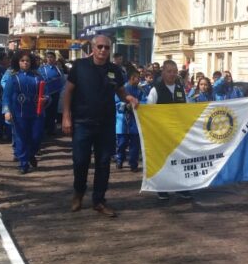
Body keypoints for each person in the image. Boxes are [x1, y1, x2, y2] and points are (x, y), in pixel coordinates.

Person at [63, 34, 139, 217]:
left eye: (106, 47)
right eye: (100, 47)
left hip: (106, 124)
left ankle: (99, 200)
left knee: (104, 164)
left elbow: (121, 92)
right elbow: (68, 92)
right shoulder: (79, 67)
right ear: (93, 47)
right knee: (80, 161)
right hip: (82, 123)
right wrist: (66, 116)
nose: (103, 50)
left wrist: (129, 98)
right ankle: (78, 194)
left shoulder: (115, 70)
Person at [146, 60, 192, 200]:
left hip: (178, 134)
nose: (172, 74)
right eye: (169, 71)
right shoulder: (155, 90)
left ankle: (180, 188)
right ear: (163, 72)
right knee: (163, 162)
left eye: (174, 71)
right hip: (161, 134)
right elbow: (149, 111)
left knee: (178, 161)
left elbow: (188, 109)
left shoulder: (181, 89)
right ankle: (162, 188)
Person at [2, 52, 47, 175]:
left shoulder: (38, 77)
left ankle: (31, 154)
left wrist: (46, 99)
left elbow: (46, 94)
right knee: (21, 138)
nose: (25, 63)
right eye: (22, 60)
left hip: (37, 113)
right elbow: (6, 96)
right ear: (18, 62)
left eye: (27, 60)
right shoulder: (13, 77)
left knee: (36, 137)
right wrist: (7, 111)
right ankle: (23, 163)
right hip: (19, 113)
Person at [115, 71, 144, 172]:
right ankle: (119, 160)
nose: (138, 79)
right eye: (137, 78)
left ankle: (133, 164)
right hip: (122, 121)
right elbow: (116, 102)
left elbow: (144, 101)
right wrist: (125, 106)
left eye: (139, 78)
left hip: (135, 123)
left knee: (135, 145)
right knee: (122, 143)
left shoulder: (140, 90)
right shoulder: (122, 89)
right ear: (131, 78)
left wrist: (140, 104)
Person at [39, 51, 65, 136]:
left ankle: (51, 129)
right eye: (48, 57)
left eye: (52, 57)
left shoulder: (58, 69)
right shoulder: (42, 68)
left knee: (53, 111)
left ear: (54, 59)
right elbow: (40, 80)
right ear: (46, 59)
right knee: (45, 111)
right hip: (45, 93)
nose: (50, 59)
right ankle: (44, 128)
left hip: (56, 93)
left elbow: (62, 80)